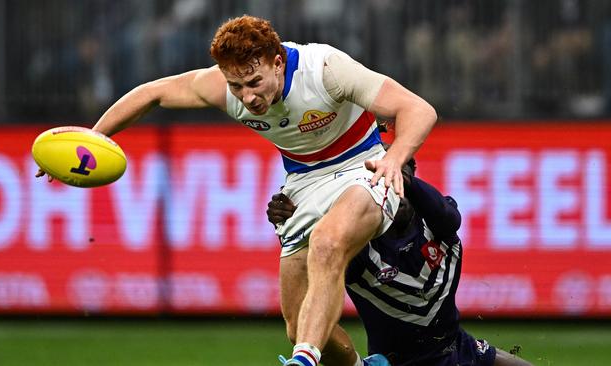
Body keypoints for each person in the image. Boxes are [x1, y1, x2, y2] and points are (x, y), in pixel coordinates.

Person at [36, 15, 437, 366]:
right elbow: (151, 93)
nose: (247, 97)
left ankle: (301, 363)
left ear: (277, 62)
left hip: (363, 166)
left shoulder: (326, 68)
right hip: (304, 184)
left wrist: (393, 159)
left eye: (254, 82)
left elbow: (419, 110)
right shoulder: (223, 87)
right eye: (236, 86)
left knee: (327, 245)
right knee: (298, 325)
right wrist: (89, 139)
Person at [267, 153, 533, 366]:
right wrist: (295, 223)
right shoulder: (356, 249)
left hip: (455, 348)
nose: (392, 187)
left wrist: (398, 171)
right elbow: (315, 266)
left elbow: (450, 218)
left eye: (398, 177)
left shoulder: (434, 219)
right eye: (381, 179)